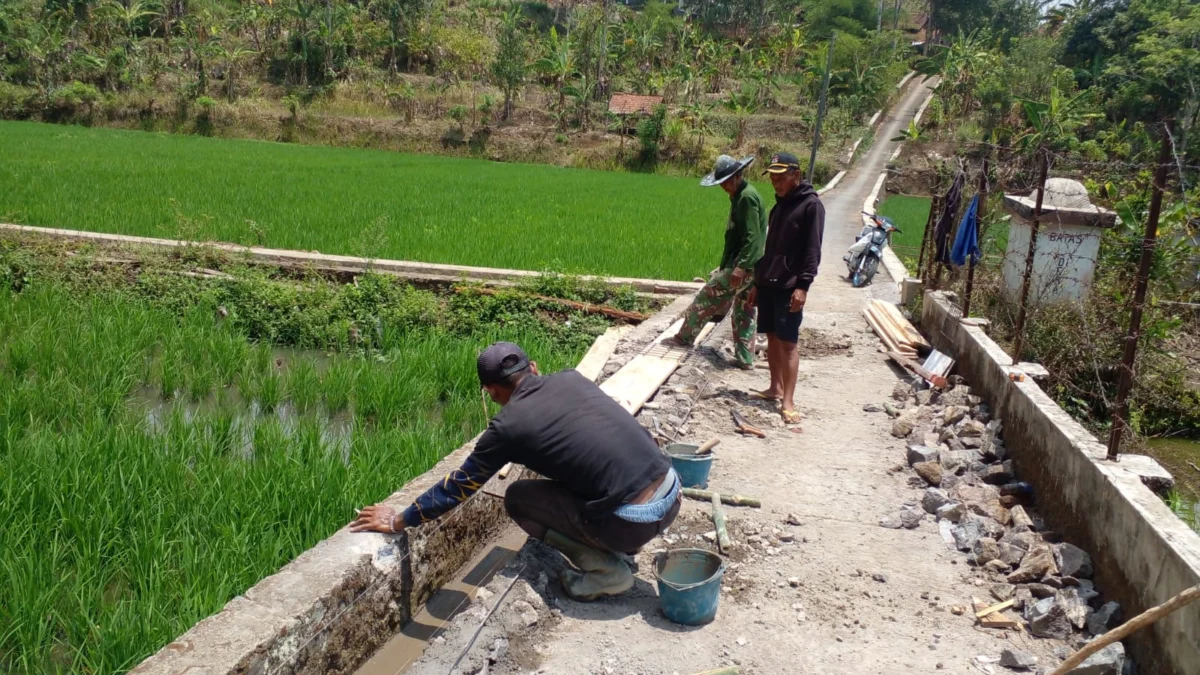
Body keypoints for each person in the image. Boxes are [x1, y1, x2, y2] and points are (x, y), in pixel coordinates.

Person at [350, 342, 681, 602]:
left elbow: (458, 487)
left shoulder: (508, 427)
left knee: (519, 497)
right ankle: (621, 544)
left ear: (491, 392)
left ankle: (607, 571)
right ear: (533, 368)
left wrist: (399, 520)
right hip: (672, 495)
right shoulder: (571, 378)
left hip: (631, 523)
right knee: (586, 475)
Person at [664, 154, 767, 369]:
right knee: (744, 308)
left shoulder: (746, 198)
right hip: (752, 264)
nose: (724, 187)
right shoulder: (741, 195)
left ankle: (683, 338)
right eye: (721, 182)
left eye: (727, 181)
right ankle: (745, 358)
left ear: (738, 176)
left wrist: (740, 266)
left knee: (707, 295)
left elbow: (753, 236)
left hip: (745, 264)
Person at [750, 152, 825, 425]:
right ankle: (774, 388)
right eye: (772, 177)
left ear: (796, 174)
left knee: (788, 343)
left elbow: (812, 250)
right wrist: (758, 282)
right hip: (769, 282)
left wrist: (803, 286)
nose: (775, 182)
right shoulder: (779, 205)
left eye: (781, 177)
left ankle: (788, 400)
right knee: (770, 338)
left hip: (790, 285)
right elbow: (769, 249)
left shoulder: (811, 206)